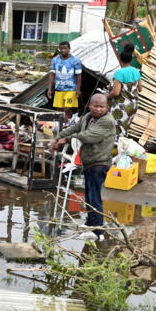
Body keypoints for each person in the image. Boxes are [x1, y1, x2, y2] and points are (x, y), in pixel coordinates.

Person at [49, 94, 115, 235]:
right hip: (89, 162)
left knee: (94, 196)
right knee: (89, 195)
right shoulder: (87, 117)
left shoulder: (107, 121)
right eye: (95, 106)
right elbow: (74, 128)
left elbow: (89, 136)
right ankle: (90, 223)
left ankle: (98, 230)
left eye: (101, 107)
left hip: (100, 162)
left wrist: (66, 140)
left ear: (107, 107)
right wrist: (58, 137)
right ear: (89, 106)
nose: (98, 109)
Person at [107, 42, 141, 138]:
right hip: (133, 105)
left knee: (116, 129)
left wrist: (107, 96)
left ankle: (115, 149)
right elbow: (140, 88)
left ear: (120, 60)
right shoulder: (136, 71)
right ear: (131, 60)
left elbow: (116, 92)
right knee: (125, 128)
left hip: (121, 106)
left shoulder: (120, 73)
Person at [47, 41, 83, 122]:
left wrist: (78, 89)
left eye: (65, 48)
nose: (63, 50)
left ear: (69, 49)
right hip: (59, 89)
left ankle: (67, 123)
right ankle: (60, 125)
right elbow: (52, 75)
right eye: (61, 49)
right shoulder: (55, 60)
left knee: (68, 108)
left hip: (71, 89)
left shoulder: (75, 60)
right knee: (59, 109)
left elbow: (79, 76)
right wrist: (49, 89)